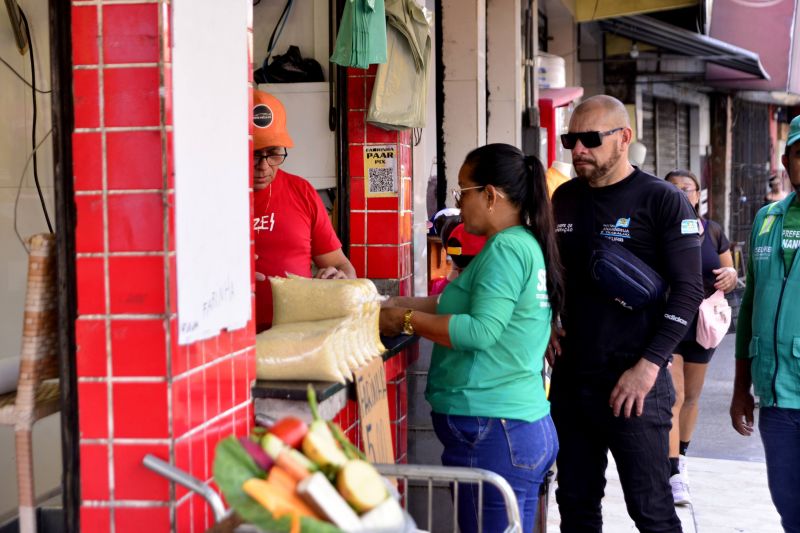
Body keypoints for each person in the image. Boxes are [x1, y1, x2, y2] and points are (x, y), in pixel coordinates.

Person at [379, 144, 564, 533]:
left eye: (463, 191)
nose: (459, 205)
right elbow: (455, 302)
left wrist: (406, 320)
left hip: (496, 428)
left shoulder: (508, 248)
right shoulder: (521, 243)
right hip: (510, 426)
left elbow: (480, 331)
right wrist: (390, 302)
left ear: (490, 194)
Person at [549, 95, 703, 532]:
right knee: (576, 507)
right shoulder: (564, 198)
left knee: (651, 510)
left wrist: (649, 366)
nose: (578, 149)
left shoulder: (663, 200)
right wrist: (547, 324)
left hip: (634, 384)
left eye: (590, 139)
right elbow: (550, 275)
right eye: (571, 139)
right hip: (573, 379)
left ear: (624, 139)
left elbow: (689, 292)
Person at [730, 114, 800, 533]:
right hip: (776, 399)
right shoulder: (766, 220)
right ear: (786, 160)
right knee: (789, 509)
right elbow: (751, 306)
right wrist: (742, 389)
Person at [251, 90, 356, 331]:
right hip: (228, 340)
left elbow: (343, 266)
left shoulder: (301, 191)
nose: (264, 166)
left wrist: (339, 278)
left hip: (296, 337)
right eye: (255, 153)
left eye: (274, 154)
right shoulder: (210, 196)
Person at [664, 169, 737, 506]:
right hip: (668, 321)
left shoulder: (713, 231)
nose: (681, 193)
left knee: (692, 396)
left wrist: (731, 274)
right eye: (673, 188)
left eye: (687, 188)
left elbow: (730, 273)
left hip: (703, 324)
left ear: (698, 194)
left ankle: (682, 456)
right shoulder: (656, 228)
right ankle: (674, 471)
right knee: (674, 396)